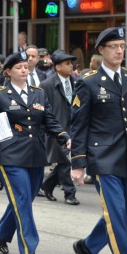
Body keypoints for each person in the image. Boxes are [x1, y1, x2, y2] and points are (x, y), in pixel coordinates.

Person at [0, 52, 70, 254]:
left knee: (24, 198)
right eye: (19, 67)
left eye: (26, 66)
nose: (24, 70)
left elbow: (49, 120)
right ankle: (29, 247)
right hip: (11, 155)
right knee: (23, 199)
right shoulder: (0, 96)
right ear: (8, 72)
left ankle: (3, 232)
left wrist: (63, 137)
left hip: (35, 154)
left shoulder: (39, 93)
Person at [70, 27, 127, 254]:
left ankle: (87, 246)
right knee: (116, 213)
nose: (119, 51)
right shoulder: (89, 82)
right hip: (104, 157)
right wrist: (78, 163)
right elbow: (78, 124)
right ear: (101, 50)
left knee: (125, 212)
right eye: (114, 46)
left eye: (123, 46)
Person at [39, 50, 79, 205]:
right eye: (67, 64)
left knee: (64, 162)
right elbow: (44, 109)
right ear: (57, 67)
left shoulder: (76, 81)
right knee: (65, 161)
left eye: (71, 63)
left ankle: (46, 185)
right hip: (56, 130)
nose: (71, 66)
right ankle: (70, 193)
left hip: (73, 127)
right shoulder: (47, 85)